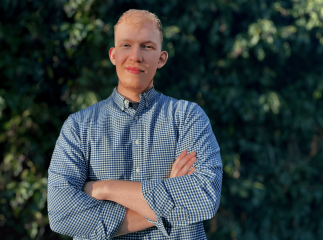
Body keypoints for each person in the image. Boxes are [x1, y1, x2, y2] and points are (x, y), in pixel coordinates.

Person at [48, 9, 223, 239]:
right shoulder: (79, 127)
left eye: (147, 46)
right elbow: (61, 214)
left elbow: (204, 198)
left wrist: (105, 188)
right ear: (113, 55)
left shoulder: (189, 117)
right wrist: (167, 197)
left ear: (161, 58)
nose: (135, 56)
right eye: (126, 45)